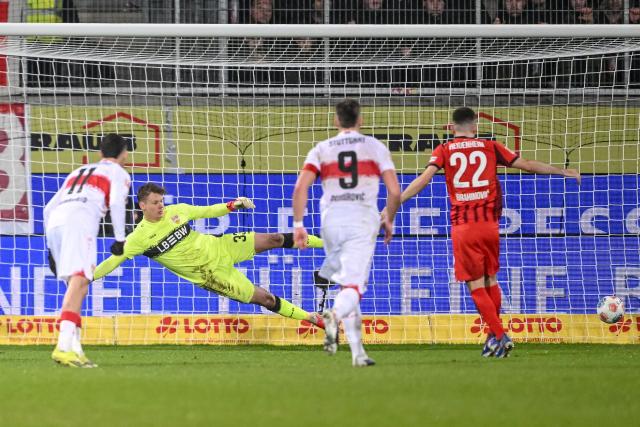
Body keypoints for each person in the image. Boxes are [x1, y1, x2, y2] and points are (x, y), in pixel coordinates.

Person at [385, 107, 580, 358]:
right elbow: (528, 165)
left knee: (475, 284)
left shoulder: (444, 150)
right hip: (489, 225)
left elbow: (424, 180)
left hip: (464, 226)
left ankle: (500, 335)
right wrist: (563, 171)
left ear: (452, 127)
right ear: (475, 126)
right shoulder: (491, 146)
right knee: (491, 279)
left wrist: (396, 202)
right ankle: (492, 339)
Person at [93, 183, 325, 338]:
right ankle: (311, 318)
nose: (160, 205)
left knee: (274, 238)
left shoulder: (178, 210)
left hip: (220, 246)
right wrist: (86, 277)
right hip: (210, 275)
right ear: (142, 206)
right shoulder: (137, 238)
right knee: (265, 298)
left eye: (161, 201)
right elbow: (112, 261)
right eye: (155, 202)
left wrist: (232, 205)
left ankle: (328, 244)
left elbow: (207, 211)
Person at [292, 99, 401, 367]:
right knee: (354, 286)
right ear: (360, 120)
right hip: (361, 220)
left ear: (336, 121)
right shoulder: (374, 147)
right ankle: (334, 314)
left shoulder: (321, 149)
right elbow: (395, 192)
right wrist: (389, 218)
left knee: (345, 284)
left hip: (331, 221)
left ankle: (358, 354)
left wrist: (298, 225)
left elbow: (300, 189)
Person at [45, 134, 131, 368]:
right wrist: (120, 238)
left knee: (77, 287)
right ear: (123, 153)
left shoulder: (78, 171)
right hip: (79, 223)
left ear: (101, 153)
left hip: (56, 223)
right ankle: (63, 347)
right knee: (80, 282)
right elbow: (115, 202)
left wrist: (50, 245)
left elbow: (48, 207)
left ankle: (75, 349)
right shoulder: (119, 174)